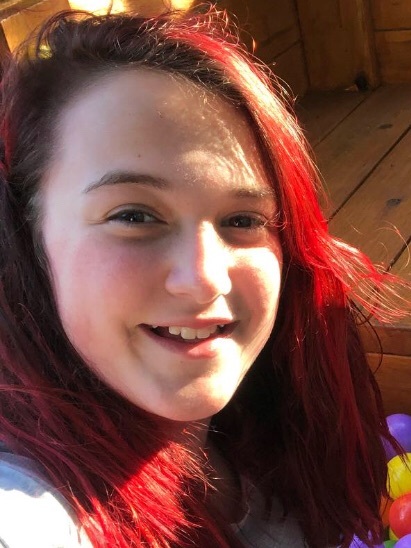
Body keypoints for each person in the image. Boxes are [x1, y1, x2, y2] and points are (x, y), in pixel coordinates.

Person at [0, 4, 407, 547]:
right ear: (27, 237)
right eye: (133, 215)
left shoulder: (281, 409)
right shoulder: (28, 512)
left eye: (242, 220)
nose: (205, 279)